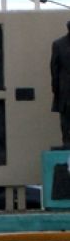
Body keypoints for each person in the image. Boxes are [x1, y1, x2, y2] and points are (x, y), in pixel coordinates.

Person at [51, 20, 70, 148]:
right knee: (66, 117)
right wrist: (56, 88)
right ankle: (67, 141)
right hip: (65, 88)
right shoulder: (58, 44)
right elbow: (54, 68)